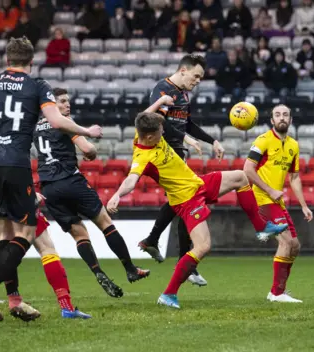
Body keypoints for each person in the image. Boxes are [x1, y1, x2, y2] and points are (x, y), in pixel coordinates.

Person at [0, 36, 102, 322]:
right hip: (15, 165)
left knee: (4, 236)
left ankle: (12, 298)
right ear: (31, 61)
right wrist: (87, 131)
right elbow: (56, 122)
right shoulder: (37, 85)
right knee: (29, 235)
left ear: (6, 59)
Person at [107, 112, 288, 309]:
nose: (164, 133)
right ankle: (168, 294)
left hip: (197, 183)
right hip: (186, 200)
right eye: (161, 132)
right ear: (149, 137)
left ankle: (262, 228)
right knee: (203, 247)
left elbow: (145, 116)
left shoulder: (144, 131)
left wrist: (161, 104)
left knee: (241, 177)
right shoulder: (143, 157)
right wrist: (117, 195)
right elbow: (131, 180)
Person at [0, 119, 91, 319]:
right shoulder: (5, 120)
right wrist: (28, 192)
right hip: (11, 189)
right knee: (45, 246)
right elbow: (13, 159)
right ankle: (66, 307)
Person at [33, 88, 149, 299]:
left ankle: (98, 272)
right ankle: (130, 269)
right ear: (51, 105)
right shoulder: (64, 122)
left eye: (68, 101)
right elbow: (87, 148)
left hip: (49, 187)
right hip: (70, 180)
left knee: (79, 234)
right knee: (105, 223)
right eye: (62, 101)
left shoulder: (35, 128)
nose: (67, 105)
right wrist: (91, 153)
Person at [136, 54, 226, 287]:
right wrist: (185, 137)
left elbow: (188, 123)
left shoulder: (184, 94)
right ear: (183, 70)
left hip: (178, 154)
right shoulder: (163, 89)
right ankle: (186, 263)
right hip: (163, 154)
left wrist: (212, 141)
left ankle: (157, 243)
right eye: (196, 76)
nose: (198, 81)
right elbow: (157, 122)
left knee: (184, 204)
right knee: (190, 201)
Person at [243, 104, 313, 303]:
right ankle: (276, 293)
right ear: (272, 120)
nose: (281, 117)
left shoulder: (293, 145)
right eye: (277, 115)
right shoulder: (263, 140)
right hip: (260, 198)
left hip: (276, 201)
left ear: (290, 120)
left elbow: (295, 177)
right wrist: (270, 190)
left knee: (295, 246)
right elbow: (247, 169)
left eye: (285, 115)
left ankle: (278, 291)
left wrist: (304, 205)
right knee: (286, 242)